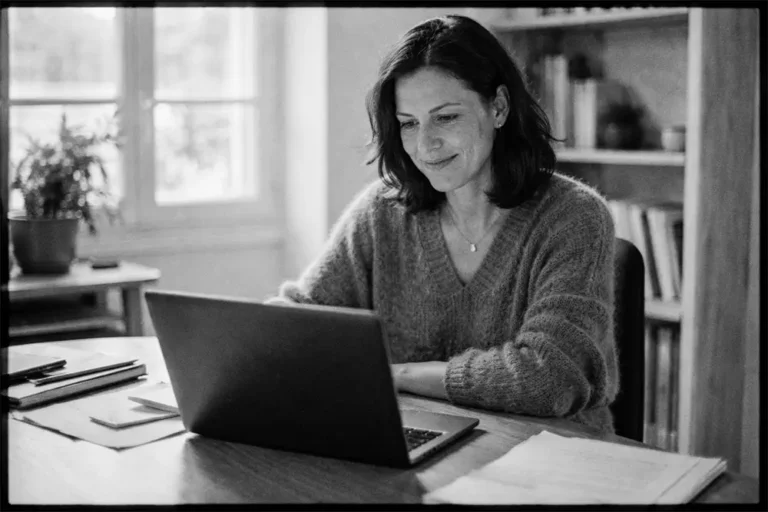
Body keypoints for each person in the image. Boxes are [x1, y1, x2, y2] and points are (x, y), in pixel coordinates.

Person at [267, 14, 618, 434]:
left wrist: (399, 375)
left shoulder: (574, 217)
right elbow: (303, 321)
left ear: (499, 107)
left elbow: (548, 380)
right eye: (409, 124)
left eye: (446, 117)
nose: (425, 144)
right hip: (419, 446)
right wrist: (263, 335)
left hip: (554, 462)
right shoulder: (381, 211)